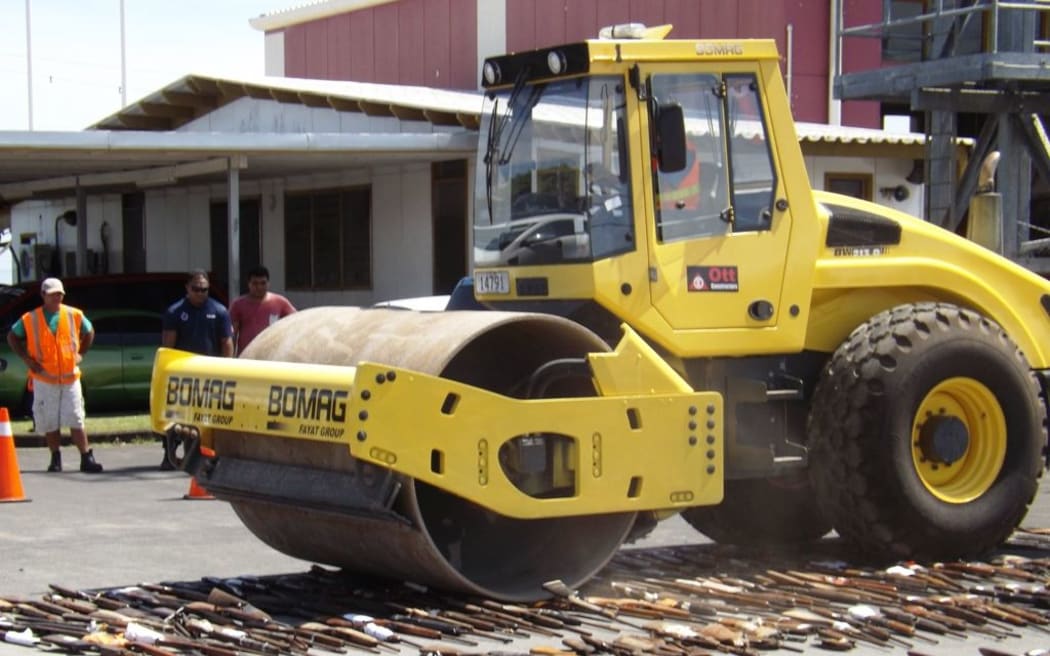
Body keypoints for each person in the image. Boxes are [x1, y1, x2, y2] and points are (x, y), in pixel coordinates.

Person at [6, 277, 103, 473]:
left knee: (76, 417)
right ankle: (55, 457)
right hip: (44, 378)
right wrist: (26, 358)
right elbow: (12, 336)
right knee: (50, 420)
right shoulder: (30, 318)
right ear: (43, 295)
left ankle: (86, 456)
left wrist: (80, 354)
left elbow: (89, 331)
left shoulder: (73, 314)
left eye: (59, 294)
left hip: (70, 377)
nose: (56, 297)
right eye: (52, 294)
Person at [159, 269, 233, 470]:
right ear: (187, 288)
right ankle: (170, 454)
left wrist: (227, 369)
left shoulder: (219, 311)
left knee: (209, 419)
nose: (200, 293)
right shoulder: (175, 312)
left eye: (204, 289)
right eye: (196, 289)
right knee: (178, 418)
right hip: (184, 375)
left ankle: (208, 456)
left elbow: (226, 343)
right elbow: (168, 346)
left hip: (210, 374)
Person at [229, 265, 296, 354]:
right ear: (248, 284)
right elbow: (232, 335)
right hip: (247, 356)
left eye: (263, 283)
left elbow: (296, 322)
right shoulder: (238, 305)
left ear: (268, 283)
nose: (259, 287)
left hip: (273, 355)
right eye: (255, 283)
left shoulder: (280, 302)